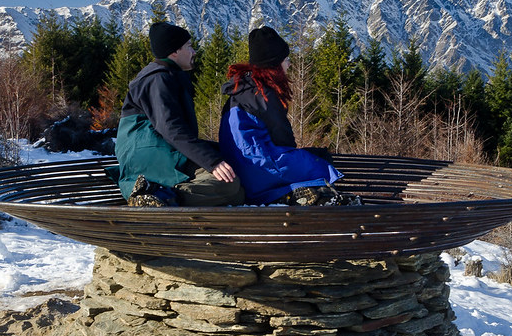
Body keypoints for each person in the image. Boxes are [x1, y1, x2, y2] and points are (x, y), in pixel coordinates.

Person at [219, 26, 357, 206]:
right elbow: (283, 138)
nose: (289, 64)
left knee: (310, 158)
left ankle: (293, 194)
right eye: (286, 60)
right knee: (318, 163)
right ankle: (300, 194)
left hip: (242, 166)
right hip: (259, 168)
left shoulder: (240, 90)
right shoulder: (263, 94)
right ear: (274, 65)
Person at [115, 22, 244, 207]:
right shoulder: (157, 79)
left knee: (237, 190)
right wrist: (213, 161)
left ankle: (164, 196)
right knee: (228, 184)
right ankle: (160, 197)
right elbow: (170, 128)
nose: (194, 52)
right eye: (189, 47)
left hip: (163, 151)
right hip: (147, 157)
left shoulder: (168, 76)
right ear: (174, 52)